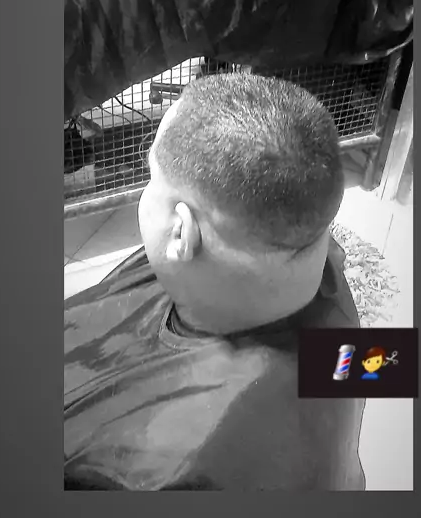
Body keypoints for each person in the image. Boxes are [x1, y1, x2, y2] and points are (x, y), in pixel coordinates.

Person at [64, 73, 365, 491]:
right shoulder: (322, 269)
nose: (145, 193)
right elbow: (380, 369)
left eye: (152, 179)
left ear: (181, 232)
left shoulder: (154, 478)